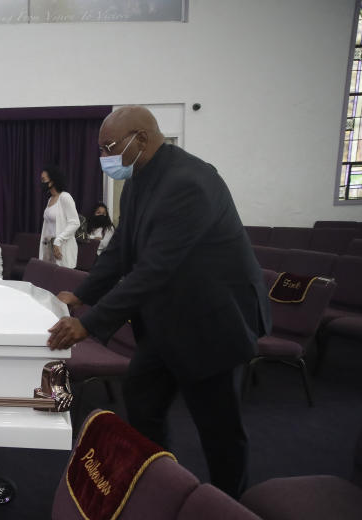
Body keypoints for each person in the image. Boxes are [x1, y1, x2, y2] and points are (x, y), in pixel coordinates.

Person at [46, 106, 270, 499]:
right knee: (142, 400)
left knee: (218, 427)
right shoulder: (138, 182)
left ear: (142, 139)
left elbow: (153, 270)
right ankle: (160, 490)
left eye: (109, 147)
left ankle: (233, 508)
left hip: (211, 323)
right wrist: (82, 294)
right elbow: (120, 252)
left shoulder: (189, 182)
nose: (104, 158)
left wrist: (90, 323)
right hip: (167, 319)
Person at [39, 165, 81, 268]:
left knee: (62, 280)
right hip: (49, 248)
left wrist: (58, 240)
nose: (41, 183)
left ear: (52, 181)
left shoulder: (65, 197)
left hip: (62, 247)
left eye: (43, 179)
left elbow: (75, 223)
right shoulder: (50, 199)